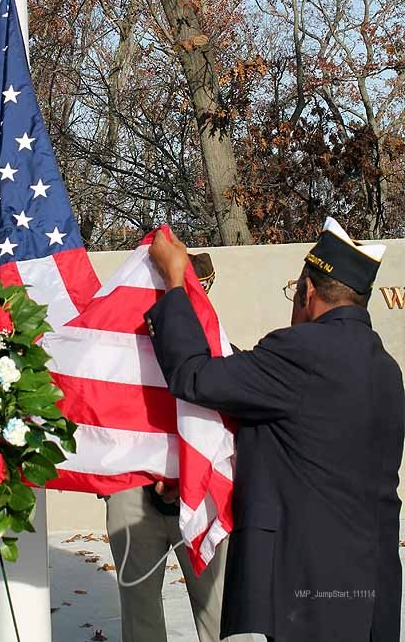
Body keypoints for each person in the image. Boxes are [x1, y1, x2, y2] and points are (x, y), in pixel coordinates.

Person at [145, 217, 404, 642]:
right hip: (372, 584)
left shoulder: (301, 352)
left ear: (307, 292)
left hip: (311, 585)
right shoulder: (385, 368)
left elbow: (194, 377)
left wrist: (175, 282)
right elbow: (292, 423)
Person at [106, 253, 254, 642]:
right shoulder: (119, 356)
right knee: (141, 623)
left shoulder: (225, 353)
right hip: (135, 496)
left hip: (201, 497)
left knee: (221, 617)